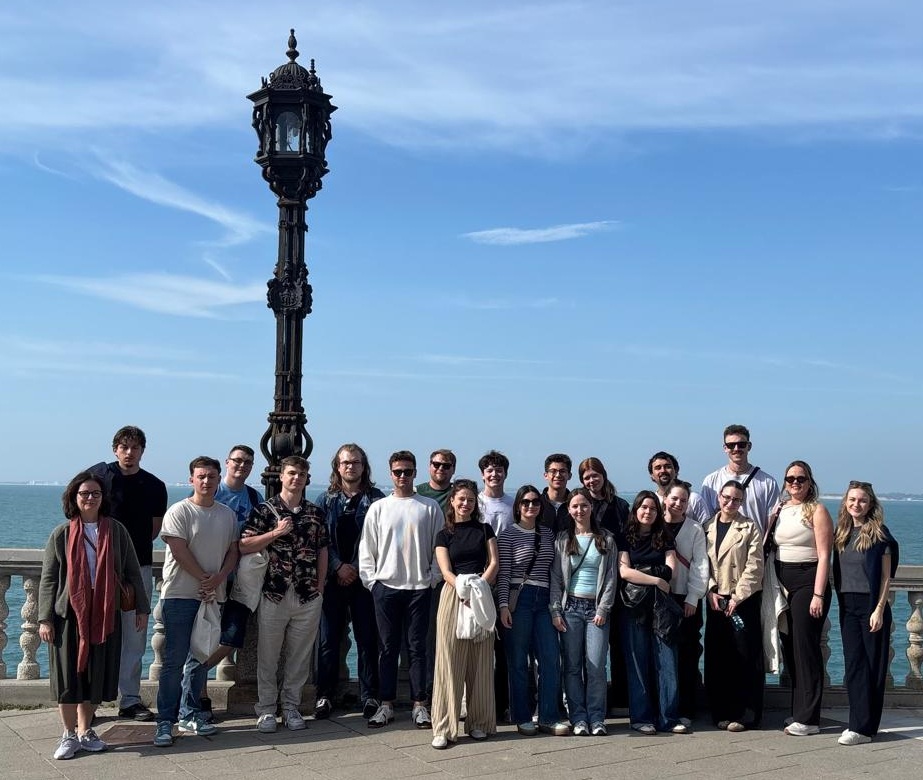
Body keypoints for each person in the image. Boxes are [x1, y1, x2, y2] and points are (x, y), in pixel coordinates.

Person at [38, 472, 150, 760]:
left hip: (103, 612)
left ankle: (86, 731)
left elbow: (132, 570)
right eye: (84, 493)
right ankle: (68, 734)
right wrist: (44, 618)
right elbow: (49, 578)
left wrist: (141, 608)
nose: (90, 498)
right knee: (67, 677)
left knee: (95, 675)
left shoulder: (115, 531)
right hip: (68, 615)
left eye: (95, 493)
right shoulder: (61, 534)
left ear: (103, 498)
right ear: (74, 498)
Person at [154, 457, 239, 747]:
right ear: (191, 479)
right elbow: (178, 549)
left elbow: (233, 552)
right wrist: (205, 578)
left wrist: (218, 580)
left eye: (211, 476)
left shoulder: (227, 514)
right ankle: (165, 721)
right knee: (174, 661)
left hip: (212, 597)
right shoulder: (178, 511)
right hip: (179, 595)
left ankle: (190, 713)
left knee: (200, 658)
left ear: (218, 479)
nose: (206, 481)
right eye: (201, 476)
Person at [241, 455, 328, 734]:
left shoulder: (315, 513)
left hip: (307, 594)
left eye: (301, 474)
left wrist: (321, 585)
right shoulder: (265, 510)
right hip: (274, 592)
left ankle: (291, 707)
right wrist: (275, 533)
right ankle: (266, 709)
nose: (296, 478)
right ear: (281, 476)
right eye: (291, 473)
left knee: (300, 657)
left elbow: (323, 549)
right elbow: (244, 544)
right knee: (268, 655)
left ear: (306, 478)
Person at [358, 450, 442, 729]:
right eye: (397, 472)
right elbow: (366, 549)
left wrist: (432, 579)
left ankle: (420, 704)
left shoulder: (429, 507)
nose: (402, 476)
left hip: (420, 587)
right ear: (390, 473)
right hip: (386, 587)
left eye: (407, 471)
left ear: (415, 473)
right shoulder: (379, 508)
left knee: (418, 648)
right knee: (387, 648)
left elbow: (438, 549)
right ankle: (386, 704)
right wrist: (372, 582)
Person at [89, 425, 167, 721]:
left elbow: (154, 530)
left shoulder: (155, 486)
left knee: (135, 636)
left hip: (139, 568)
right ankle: (91, 699)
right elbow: (78, 501)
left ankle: (129, 700)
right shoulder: (100, 476)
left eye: (135, 448)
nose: (129, 453)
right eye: (124, 447)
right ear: (115, 449)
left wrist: (129, 555)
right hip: (100, 568)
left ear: (142, 451)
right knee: (96, 633)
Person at [314, 443, 385, 720]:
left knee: (367, 640)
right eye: (345, 463)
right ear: (337, 467)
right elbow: (321, 540)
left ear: (363, 467)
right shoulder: (325, 500)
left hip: (365, 581)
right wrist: (338, 567)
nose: (350, 467)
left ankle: (369, 696)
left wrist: (354, 567)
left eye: (355, 462)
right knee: (328, 640)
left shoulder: (377, 500)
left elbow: (377, 540)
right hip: (332, 580)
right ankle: (324, 695)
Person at [430, 479, 499, 748]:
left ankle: (479, 722)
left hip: (481, 592)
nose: (465, 504)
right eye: (461, 499)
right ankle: (444, 727)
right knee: (448, 661)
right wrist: (462, 588)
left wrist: (480, 585)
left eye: (470, 499)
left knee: (481, 661)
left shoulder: (484, 529)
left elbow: (494, 562)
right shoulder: (444, 534)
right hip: (454, 594)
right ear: (453, 501)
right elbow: (445, 569)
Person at [496, 485, 569, 737]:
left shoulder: (548, 534)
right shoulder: (507, 536)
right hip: (520, 599)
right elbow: (504, 574)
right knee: (518, 661)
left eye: (535, 502)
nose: (531, 506)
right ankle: (523, 716)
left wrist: (555, 606)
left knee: (550, 659)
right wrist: (504, 606)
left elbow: (555, 573)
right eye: (525, 502)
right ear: (518, 506)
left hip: (544, 599)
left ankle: (548, 716)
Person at [767, 461, 833, 737]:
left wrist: (818, 593)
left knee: (806, 649)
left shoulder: (817, 510)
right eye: (790, 478)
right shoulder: (780, 508)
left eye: (801, 478)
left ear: (810, 482)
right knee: (790, 647)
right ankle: (799, 710)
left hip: (808, 580)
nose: (795, 483)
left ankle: (809, 719)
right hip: (782, 580)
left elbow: (825, 555)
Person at [199, 444, 264, 720]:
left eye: (247, 462)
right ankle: (199, 695)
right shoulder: (213, 491)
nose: (242, 465)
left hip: (240, 578)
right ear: (227, 462)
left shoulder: (253, 496)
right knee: (203, 636)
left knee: (232, 635)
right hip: (212, 576)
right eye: (237, 460)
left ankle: (195, 672)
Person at [832, 481, 899, 746]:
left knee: (873, 666)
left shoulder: (879, 534)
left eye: (861, 500)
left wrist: (879, 609)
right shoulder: (842, 533)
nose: (856, 504)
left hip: (871, 607)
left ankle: (864, 727)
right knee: (854, 666)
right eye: (852, 500)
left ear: (870, 504)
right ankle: (859, 725)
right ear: (845, 503)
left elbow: (885, 578)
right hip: (847, 607)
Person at [617, 490, 686, 734]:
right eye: (644, 507)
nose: (648, 512)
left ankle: (668, 717)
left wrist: (643, 573)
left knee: (666, 661)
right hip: (634, 607)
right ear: (636, 510)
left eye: (653, 508)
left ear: (658, 512)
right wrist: (655, 580)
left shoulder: (664, 536)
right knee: (638, 662)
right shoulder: (625, 537)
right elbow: (624, 573)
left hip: (661, 608)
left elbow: (672, 571)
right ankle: (641, 718)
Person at [550, 487, 617, 736]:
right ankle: (578, 717)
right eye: (575, 506)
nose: (580, 510)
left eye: (584, 505)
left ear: (591, 508)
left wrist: (604, 607)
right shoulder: (563, 539)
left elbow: (611, 577)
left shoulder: (606, 539)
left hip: (596, 609)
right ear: (569, 509)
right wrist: (556, 611)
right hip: (571, 608)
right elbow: (556, 577)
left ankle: (597, 717)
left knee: (597, 665)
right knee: (572, 665)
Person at [703, 480, 764, 733]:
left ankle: (745, 712)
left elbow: (755, 566)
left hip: (742, 601)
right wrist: (710, 590)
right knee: (717, 656)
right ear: (719, 497)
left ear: (742, 501)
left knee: (744, 656)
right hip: (716, 600)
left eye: (736, 500)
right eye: (726, 498)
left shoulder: (750, 528)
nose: (730, 503)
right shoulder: (707, 526)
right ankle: (720, 710)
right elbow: (701, 564)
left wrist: (738, 597)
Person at [577, 456, 630, 710]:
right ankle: (591, 699)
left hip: (615, 578)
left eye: (594, 475)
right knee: (589, 650)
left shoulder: (619, 505)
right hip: (586, 583)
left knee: (618, 642)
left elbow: (626, 538)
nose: (591, 480)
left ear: (603, 475)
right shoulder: (580, 505)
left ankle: (619, 697)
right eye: (586, 477)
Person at [662, 480, 709, 726]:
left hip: (686, 599)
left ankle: (686, 708)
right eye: (674, 499)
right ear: (665, 499)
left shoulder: (694, 529)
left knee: (689, 653)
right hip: (661, 597)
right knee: (663, 653)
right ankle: (663, 705)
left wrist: (693, 596)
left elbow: (701, 565)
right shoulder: (654, 524)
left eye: (683, 500)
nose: (678, 504)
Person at [700, 425, 780, 535]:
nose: (736, 449)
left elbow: (772, 523)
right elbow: (706, 521)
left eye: (741, 445)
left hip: (755, 547)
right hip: (721, 548)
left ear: (749, 446)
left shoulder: (767, 483)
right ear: (725, 448)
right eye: (731, 445)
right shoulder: (711, 481)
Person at [648, 451, 709, 523]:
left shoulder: (693, 499)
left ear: (676, 471)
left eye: (668, 467)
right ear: (652, 475)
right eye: (658, 468)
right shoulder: (651, 502)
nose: (663, 470)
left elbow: (706, 528)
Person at [478, 450, 515, 534]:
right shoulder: (475, 503)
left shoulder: (514, 504)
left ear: (506, 474)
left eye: (499, 470)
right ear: (482, 475)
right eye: (489, 471)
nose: (494, 474)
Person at [540, 453, 572, 533]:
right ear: (546, 475)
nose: (558, 475)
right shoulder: (537, 504)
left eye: (562, 471)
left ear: (569, 475)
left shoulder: (575, 505)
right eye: (553, 471)